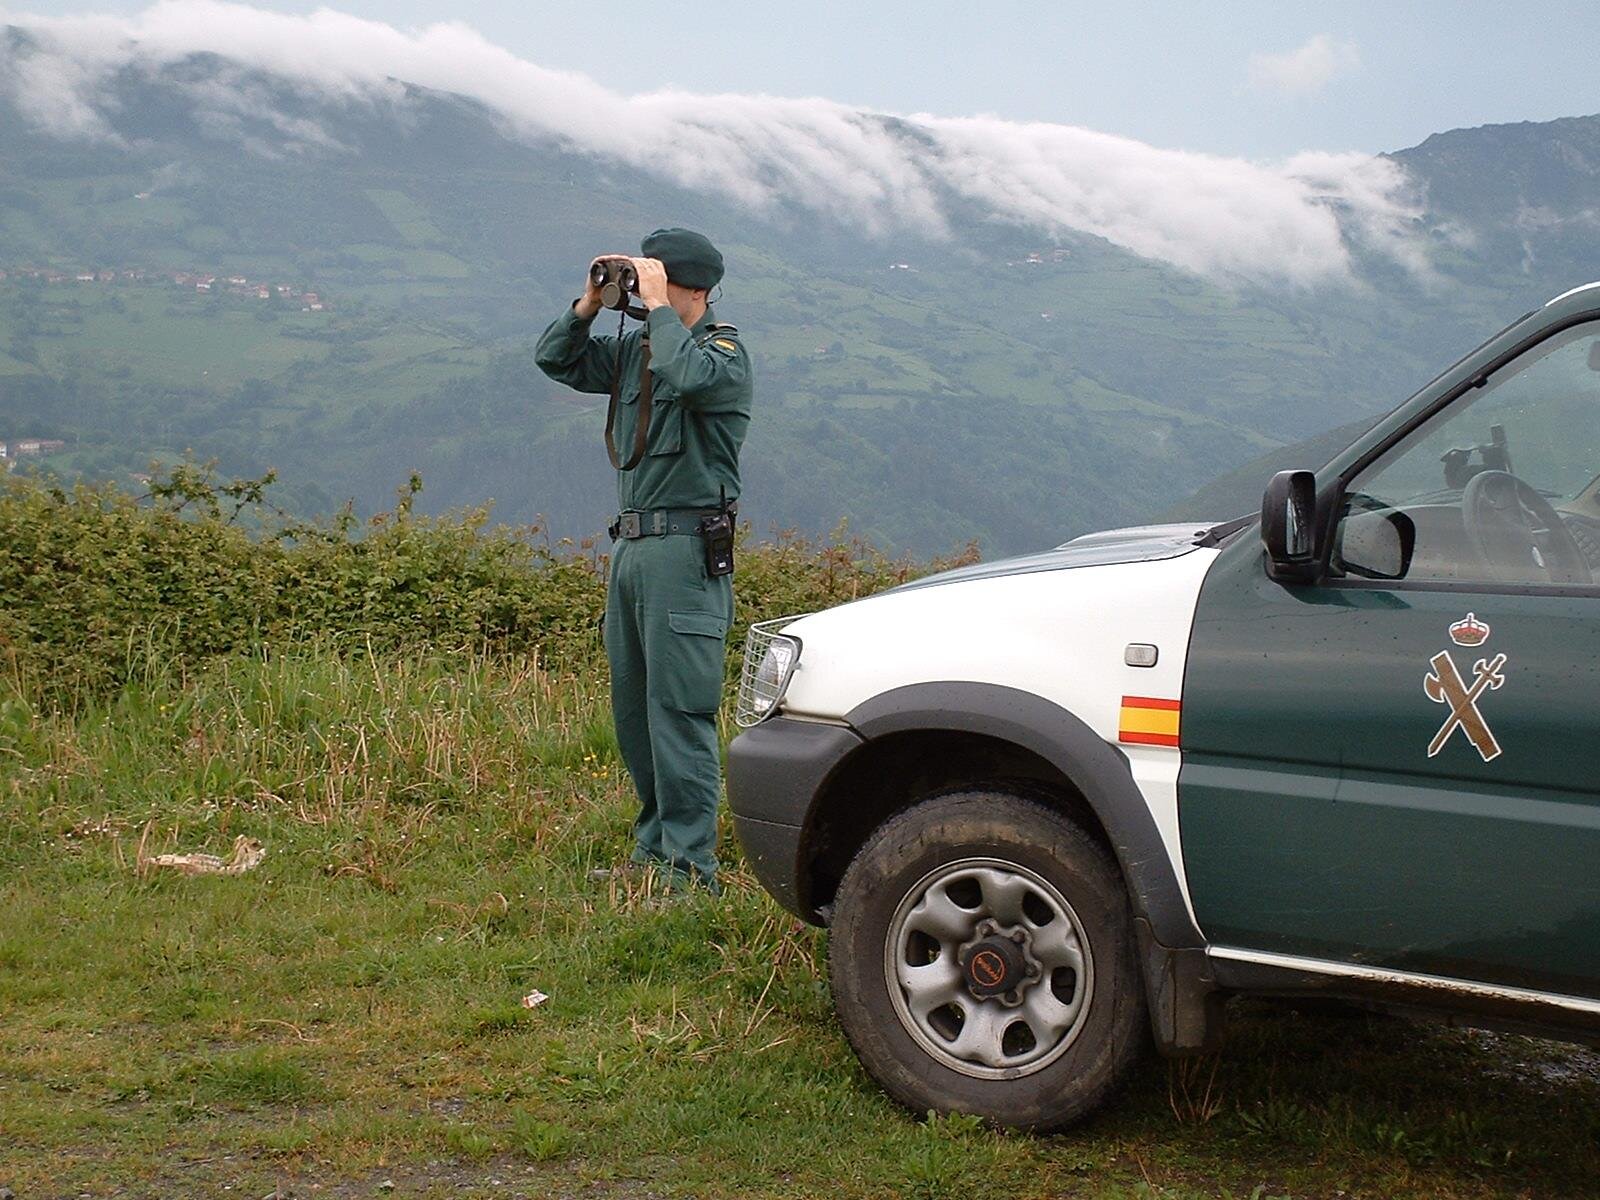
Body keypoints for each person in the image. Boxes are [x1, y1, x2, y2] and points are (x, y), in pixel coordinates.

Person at [534, 228, 752, 894]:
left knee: (679, 711)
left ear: (695, 288)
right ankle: (654, 852)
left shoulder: (722, 355)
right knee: (634, 713)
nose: (645, 286)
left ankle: (689, 870)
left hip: (685, 554)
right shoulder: (637, 351)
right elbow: (555, 359)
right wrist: (589, 303)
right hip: (631, 550)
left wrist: (657, 308)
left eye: (658, 277)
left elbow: (689, 378)